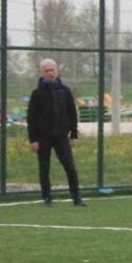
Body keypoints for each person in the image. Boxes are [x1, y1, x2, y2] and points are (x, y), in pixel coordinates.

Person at [27, 59, 84, 207]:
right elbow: (31, 118)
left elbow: (72, 113)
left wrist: (74, 135)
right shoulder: (37, 93)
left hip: (61, 136)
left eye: (52, 70)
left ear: (57, 71)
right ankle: (47, 197)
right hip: (43, 137)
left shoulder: (64, 91)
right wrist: (33, 140)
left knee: (70, 166)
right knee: (44, 167)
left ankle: (76, 197)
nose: (50, 73)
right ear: (42, 72)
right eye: (47, 70)